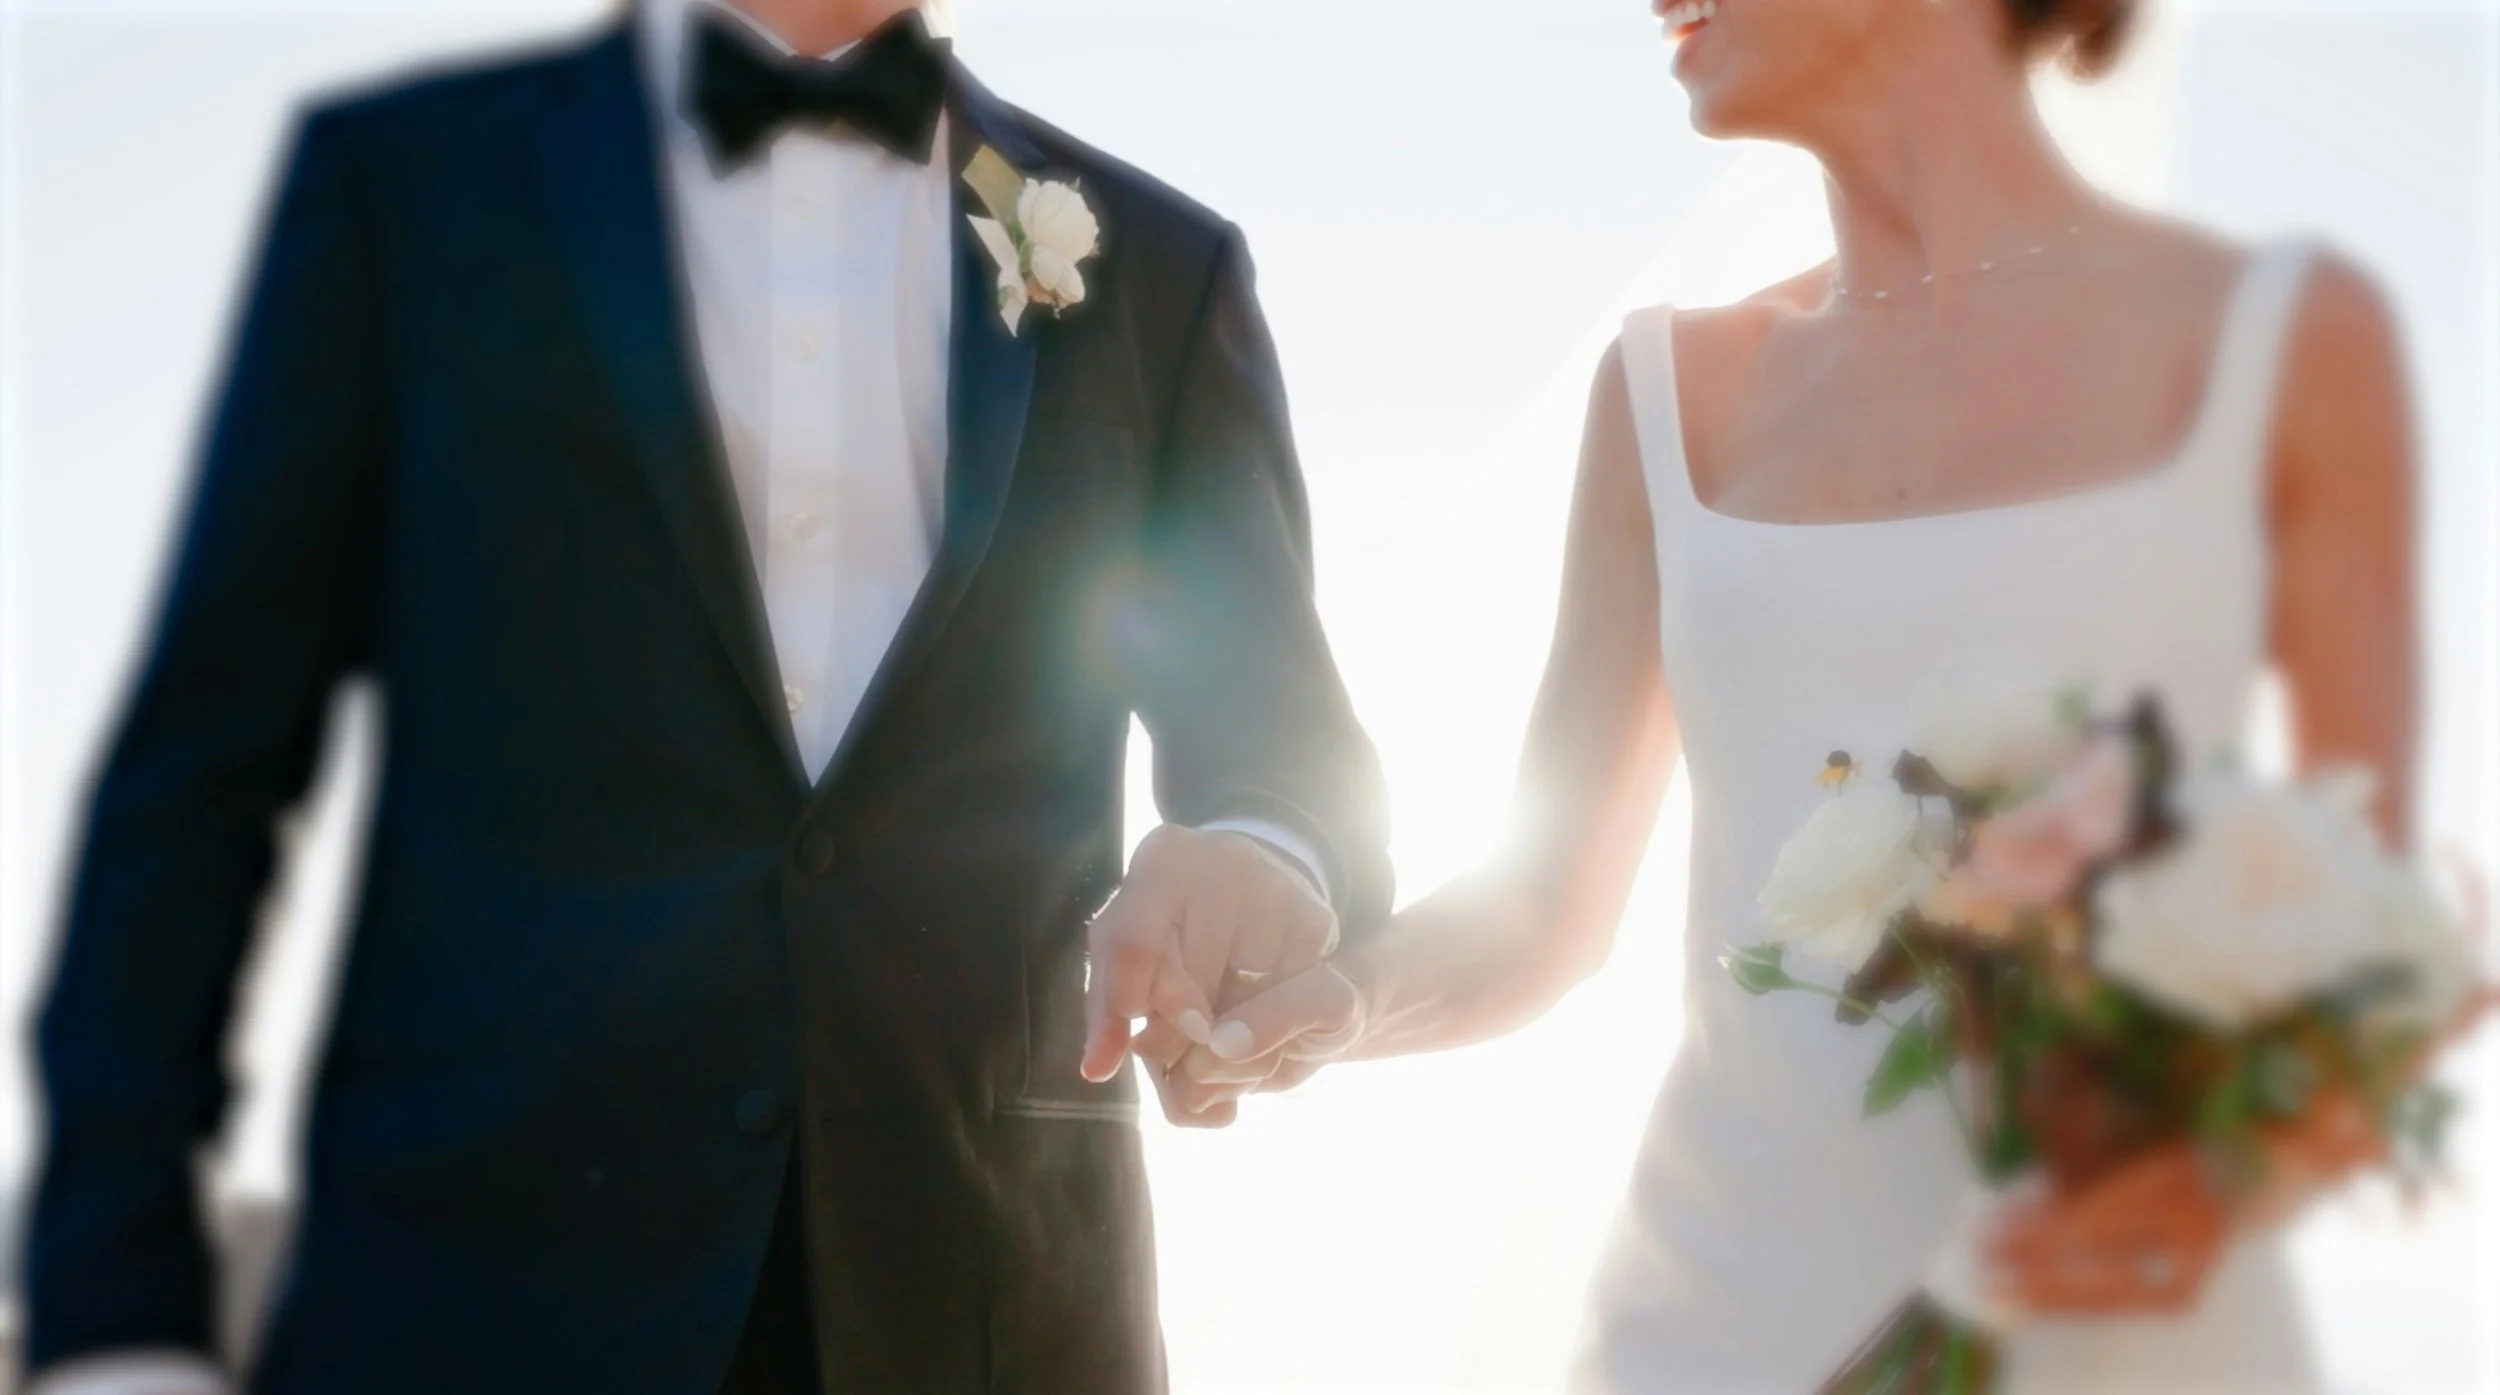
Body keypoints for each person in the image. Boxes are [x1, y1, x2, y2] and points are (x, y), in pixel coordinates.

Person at [17, 1, 1390, 1391]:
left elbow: (1292, 766)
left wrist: (1263, 855)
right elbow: (200, 778)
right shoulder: (404, 202)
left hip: (990, 1314)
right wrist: (120, 1332)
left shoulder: (1159, 269)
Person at [1170, 0, 2421, 1389]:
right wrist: (1342, 1000)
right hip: (1720, 1328)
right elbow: (1542, 904)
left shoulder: (2286, 346)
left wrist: (2204, 1161)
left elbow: (2367, 921)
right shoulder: (1667, 395)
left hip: (2125, 1329)